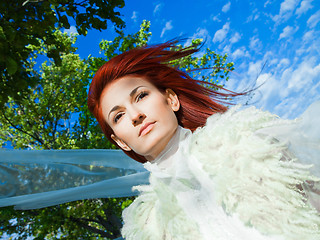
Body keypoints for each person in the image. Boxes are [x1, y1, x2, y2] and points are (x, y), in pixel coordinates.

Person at [87, 41, 320, 240]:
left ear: (171, 100)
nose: (135, 115)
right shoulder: (147, 226)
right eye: (118, 116)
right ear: (121, 143)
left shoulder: (247, 144)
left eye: (141, 96)